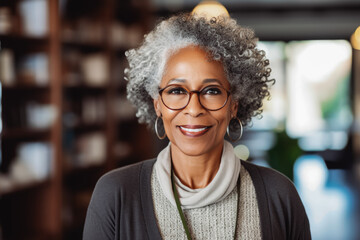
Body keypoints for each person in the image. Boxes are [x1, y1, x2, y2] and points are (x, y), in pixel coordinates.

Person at [83, 13, 311, 240]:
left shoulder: (279, 194)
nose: (193, 108)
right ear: (158, 105)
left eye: (212, 91)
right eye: (176, 91)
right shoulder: (115, 194)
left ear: (233, 105)